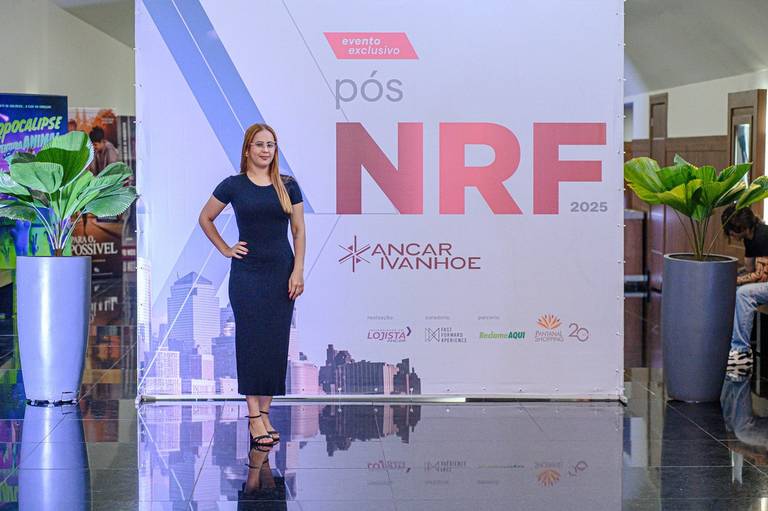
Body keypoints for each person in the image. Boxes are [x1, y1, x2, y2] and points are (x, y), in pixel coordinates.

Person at [198, 123, 305, 450]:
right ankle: (253, 415)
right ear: (247, 149)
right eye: (259, 144)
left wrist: (298, 271)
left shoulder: (288, 185)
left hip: (281, 273)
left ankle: (266, 414)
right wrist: (225, 249)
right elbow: (205, 218)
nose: (265, 150)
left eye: (270, 144)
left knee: (275, 343)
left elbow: (299, 231)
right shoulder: (233, 185)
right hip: (247, 275)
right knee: (250, 342)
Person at [722, 205, 768, 368]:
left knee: (743, 293)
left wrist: (733, 280)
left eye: (730, 230)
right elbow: (749, 268)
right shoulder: (750, 238)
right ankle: (728, 342)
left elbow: (761, 275)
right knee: (735, 290)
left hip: (765, 279)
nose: (730, 234)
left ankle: (740, 352)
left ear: (740, 227)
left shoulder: (763, 235)